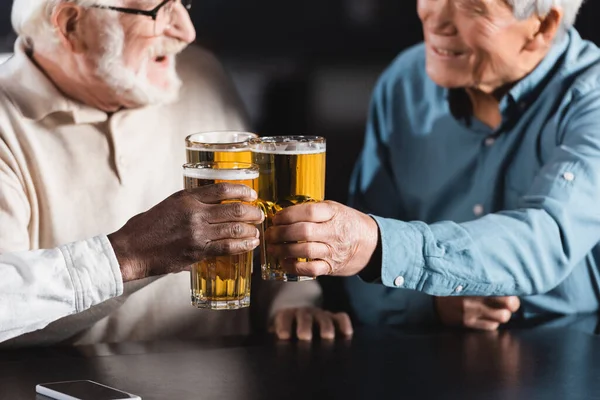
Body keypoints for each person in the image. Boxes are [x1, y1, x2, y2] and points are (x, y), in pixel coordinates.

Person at [0, 0, 334, 346]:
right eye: (157, 10)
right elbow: (8, 311)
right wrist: (131, 256)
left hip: (226, 380)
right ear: (71, 25)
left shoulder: (201, 74)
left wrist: (290, 301)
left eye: (182, 3)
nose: (187, 32)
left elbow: (254, 215)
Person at [266, 0, 600, 331]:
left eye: (472, 7)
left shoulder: (592, 95)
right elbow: (362, 284)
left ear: (543, 26)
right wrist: (432, 302)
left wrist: (377, 245)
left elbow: (546, 235)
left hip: (567, 351)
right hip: (423, 353)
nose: (436, 19)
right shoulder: (403, 83)